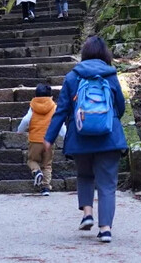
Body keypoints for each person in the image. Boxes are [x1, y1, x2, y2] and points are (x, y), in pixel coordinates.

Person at [44, 36, 127, 243]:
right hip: (109, 137)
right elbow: (121, 107)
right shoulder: (111, 76)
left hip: (80, 138)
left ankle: (87, 213)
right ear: (105, 54)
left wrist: (49, 138)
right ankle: (106, 229)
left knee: (85, 175)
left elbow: (61, 110)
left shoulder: (73, 77)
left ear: (85, 53)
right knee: (107, 184)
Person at [16, 83, 66, 196]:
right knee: (47, 164)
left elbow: (25, 120)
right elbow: (59, 124)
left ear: (35, 96)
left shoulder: (33, 106)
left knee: (31, 160)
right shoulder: (53, 106)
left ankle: (36, 171)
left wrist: (20, 130)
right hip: (49, 140)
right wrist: (65, 136)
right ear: (51, 96)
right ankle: (45, 188)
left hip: (35, 140)